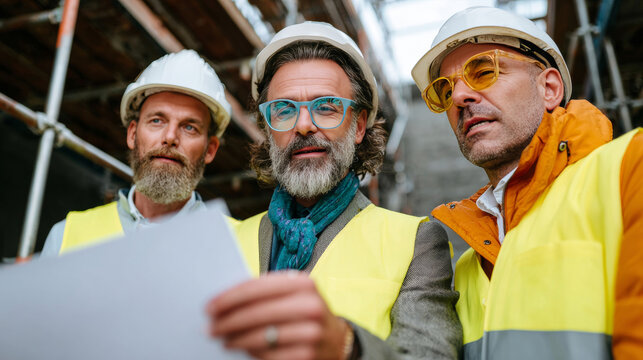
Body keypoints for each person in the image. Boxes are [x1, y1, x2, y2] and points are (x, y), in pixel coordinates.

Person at [207, 22, 461, 360]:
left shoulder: (416, 243)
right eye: (283, 110)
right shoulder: (225, 243)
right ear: (268, 130)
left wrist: (349, 348)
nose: (303, 125)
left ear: (358, 126)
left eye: (326, 107)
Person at [411, 6, 643, 359]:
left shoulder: (631, 168)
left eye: (485, 70)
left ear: (549, 88)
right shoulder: (469, 268)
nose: (459, 98)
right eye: (445, 90)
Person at [41, 49, 232, 256]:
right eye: (157, 121)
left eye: (189, 127)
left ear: (210, 149)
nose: (170, 137)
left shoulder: (232, 244)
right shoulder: (66, 236)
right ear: (132, 134)